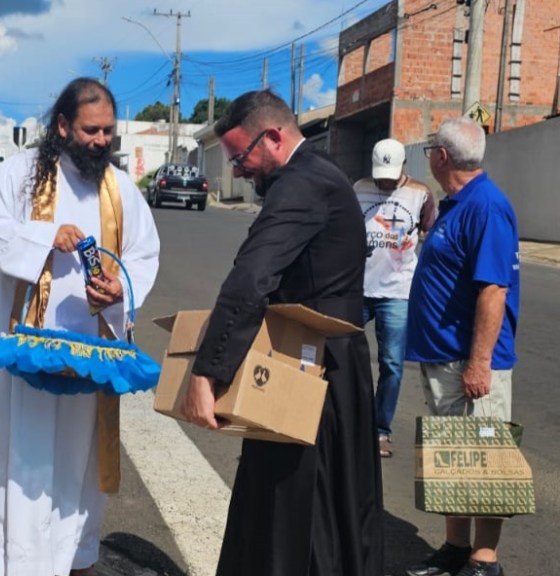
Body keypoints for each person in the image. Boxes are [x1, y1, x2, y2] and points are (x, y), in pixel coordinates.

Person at [0, 77, 160, 576]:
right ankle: (15, 561)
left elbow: (142, 254)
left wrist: (120, 291)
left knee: (75, 466)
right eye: (91, 130)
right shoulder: (23, 175)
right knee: (23, 463)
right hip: (27, 352)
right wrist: (45, 236)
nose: (101, 141)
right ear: (64, 125)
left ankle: (72, 557)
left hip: (89, 358)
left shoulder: (119, 189)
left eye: (109, 131)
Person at [180, 89, 383, 576]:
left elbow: (253, 276)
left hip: (311, 375)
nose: (237, 170)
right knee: (317, 516)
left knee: (299, 524)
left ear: (272, 137)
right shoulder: (320, 176)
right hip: (320, 361)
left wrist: (206, 373)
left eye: (240, 156)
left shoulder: (302, 184)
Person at [404, 117, 520, 576]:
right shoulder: (458, 204)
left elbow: (494, 290)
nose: (430, 154)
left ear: (442, 157)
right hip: (443, 358)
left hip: (467, 364)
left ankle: (484, 559)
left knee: (486, 460)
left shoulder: (486, 207)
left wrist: (478, 363)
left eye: (431, 147)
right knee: (453, 456)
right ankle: (455, 547)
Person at [354, 138, 437, 458]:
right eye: (379, 174)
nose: (384, 181)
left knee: (391, 365)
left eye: (390, 174)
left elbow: (432, 238)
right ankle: (341, 421)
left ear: (403, 166)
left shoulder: (420, 193)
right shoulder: (358, 188)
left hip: (397, 293)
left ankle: (379, 430)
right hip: (357, 289)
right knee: (340, 356)